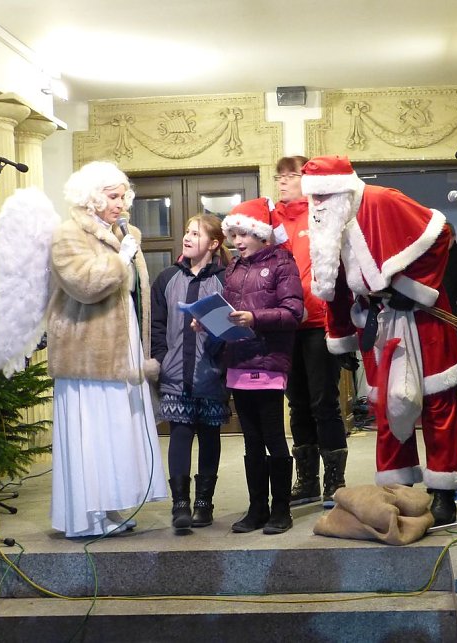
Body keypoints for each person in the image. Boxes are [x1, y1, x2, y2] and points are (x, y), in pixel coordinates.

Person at [300, 155, 457, 526]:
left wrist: (415, 287)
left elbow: (439, 232)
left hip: (423, 317)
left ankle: (443, 495)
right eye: (314, 198)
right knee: (386, 409)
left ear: (344, 189)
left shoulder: (382, 199)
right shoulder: (328, 225)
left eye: (325, 196)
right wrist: (341, 338)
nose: (318, 205)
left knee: (437, 402)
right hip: (375, 321)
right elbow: (335, 286)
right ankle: (400, 491)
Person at [47, 160, 168, 538]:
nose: (122, 204)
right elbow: (82, 284)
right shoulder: (68, 234)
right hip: (87, 351)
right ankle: (84, 518)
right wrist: (119, 259)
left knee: (116, 431)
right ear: (93, 197)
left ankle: (111, 508)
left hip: (121, 344)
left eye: (123, 196)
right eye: (113, 197)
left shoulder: (123, 231)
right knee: (92, 434)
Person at [219, 197, 303, 534]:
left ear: (260, 234)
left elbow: (293, 312)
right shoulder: (234, 268)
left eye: (244, 234)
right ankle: (257, 509)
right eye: (233, 235)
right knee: (250, 441)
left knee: (273, 438)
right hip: (239, 361)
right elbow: (229, 312)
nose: (237, 242)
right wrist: (209, 322)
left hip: (268, 362)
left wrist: (254, 318)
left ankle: (281, 510)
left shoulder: (283, 263)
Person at [272, 156, 351, 508]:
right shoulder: (271, 222)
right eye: (280, 176)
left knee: (324, 402)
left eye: (292, 175)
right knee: (297, 403)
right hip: (286, 326)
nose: (284, 181)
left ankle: (335, 480)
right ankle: (306, 480)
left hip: (320, 322)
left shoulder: (322, 213)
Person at [151, 214, 233, 531]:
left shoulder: (225, 280)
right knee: (181, 435)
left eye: (195, 233)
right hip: (175, 374)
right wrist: (161, 357)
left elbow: (229, 327)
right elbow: (157, 326)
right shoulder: (167, 278)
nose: (187, 237)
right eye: (186, 231)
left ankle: (204, 503)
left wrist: (215, 343)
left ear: (213, 244)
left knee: (210, 436)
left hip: (210, 373)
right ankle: (180, 504)